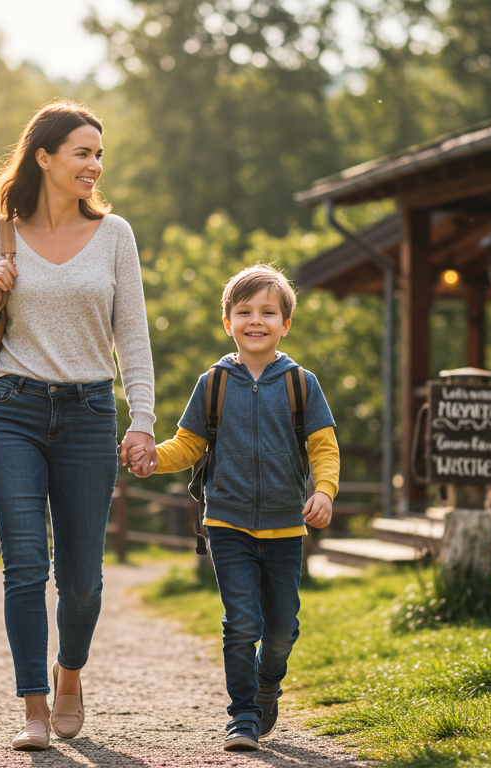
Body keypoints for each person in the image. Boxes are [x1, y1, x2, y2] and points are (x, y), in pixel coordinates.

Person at [0, 100, 158, 751]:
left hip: (91, 413)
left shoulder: (116, 235)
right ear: (44, 156)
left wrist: (142, 419)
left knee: (84, 579)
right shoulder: (0, 234)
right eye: (82, 153)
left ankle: (71, 676)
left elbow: (134, 337)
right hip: (9, 411)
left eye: (99, 154)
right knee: (24, 564)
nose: (94, 165)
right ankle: (34, 706)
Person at [128, 264, 339, 752]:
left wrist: (324, 491)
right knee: (241, 621)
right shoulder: (214, 383)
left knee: (282, 629)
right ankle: (242, 716)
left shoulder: (301, 384)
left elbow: (323, 448)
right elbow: (188, 444)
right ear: (228, 322)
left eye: (268, 311)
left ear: (286, 323)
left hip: (286, 526)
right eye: (244, 312)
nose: (256, 320)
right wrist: (153, 458)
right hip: (227, 523)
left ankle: (268, 685)